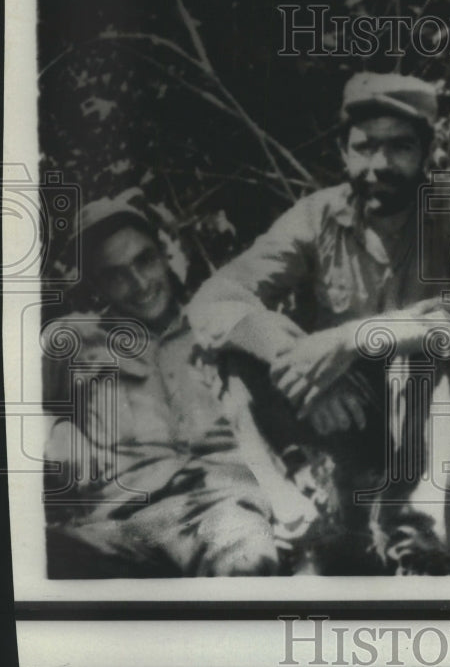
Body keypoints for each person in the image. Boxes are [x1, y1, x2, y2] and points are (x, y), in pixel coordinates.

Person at [187, 72, 450, 574]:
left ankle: (421, 545)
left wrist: (354, 338)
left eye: (400, 147)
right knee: (235, 357)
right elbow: (215, 301)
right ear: (343, 152)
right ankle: (291, 514)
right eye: (365, 147)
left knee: (430, 350)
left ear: (427, 152)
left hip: (441, 426)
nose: (380, 165)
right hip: (346, 418)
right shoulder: (317, 216)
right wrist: (300, 363)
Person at [42, 190, 298, 577]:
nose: (140, 282)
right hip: (113, 528)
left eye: (144, 260)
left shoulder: (216, 324)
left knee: (245, 566)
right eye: (115, 275)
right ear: (96, 285)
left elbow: (297, 373)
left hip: (221, 511)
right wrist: (55, 430)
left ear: (165, 254)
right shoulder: (73, 339)